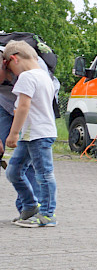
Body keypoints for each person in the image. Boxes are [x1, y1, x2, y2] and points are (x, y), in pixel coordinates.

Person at [3, 41, 58, 228]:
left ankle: (48, 214)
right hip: (31, 135)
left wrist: (13, 133)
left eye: (9, 67)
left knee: (44, 174)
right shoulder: (44, 76)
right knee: (13, 172)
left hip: (37, 134)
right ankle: (30, 206)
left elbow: (23, 107)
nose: (11, 74)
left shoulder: (27, 77)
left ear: (14, 59)